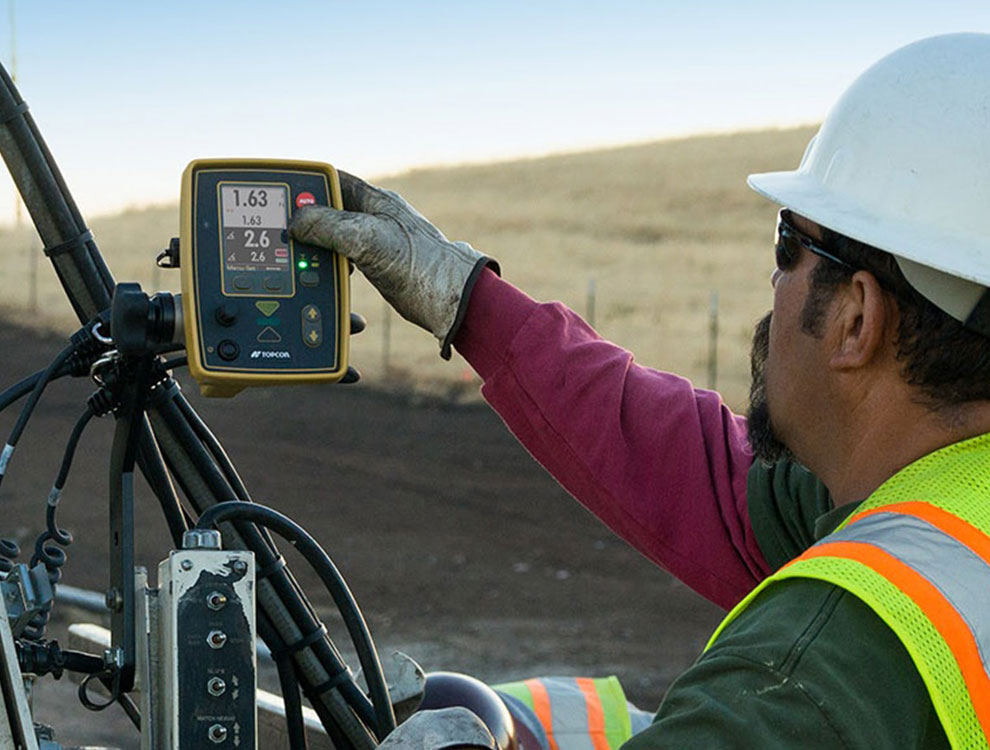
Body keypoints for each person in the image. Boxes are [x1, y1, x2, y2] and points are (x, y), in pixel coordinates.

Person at [290, 33, 990, 749]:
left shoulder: (808, 675)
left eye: (789, 243)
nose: (775, 279)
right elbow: (714, 480)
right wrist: (471, 304)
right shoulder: (946, 500)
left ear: (856, 320)